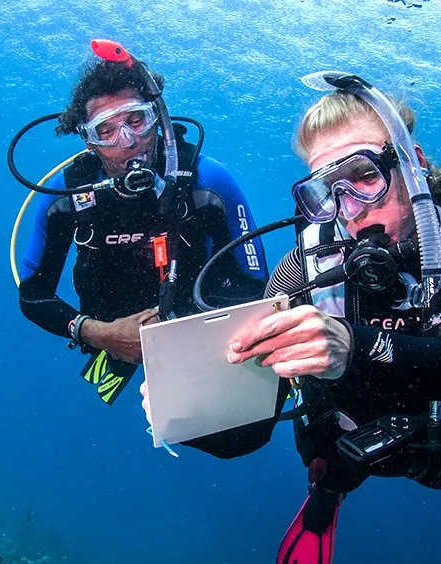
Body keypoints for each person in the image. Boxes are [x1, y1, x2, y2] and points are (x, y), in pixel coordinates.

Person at [142, 74, 441, 564]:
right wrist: (192, 413)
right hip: (341, 440)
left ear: (411, 163)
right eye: (327, 189)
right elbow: (253, 421)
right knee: (328, 464)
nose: (351, 207)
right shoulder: (301, 267)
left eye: (364, 175)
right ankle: (326, 497)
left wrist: (355, 346)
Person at [17, 43, 269, 404]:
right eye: (106, 131)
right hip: (108, 334)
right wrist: (97, 333)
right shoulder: (66, 194)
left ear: (157, 119)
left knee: (234, 425)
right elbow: (33, 295)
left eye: (136, 120)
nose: (128, 141)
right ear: (89, 142)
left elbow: (253, 283)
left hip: (198, 329)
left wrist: (181, 332)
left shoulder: (207, 181)